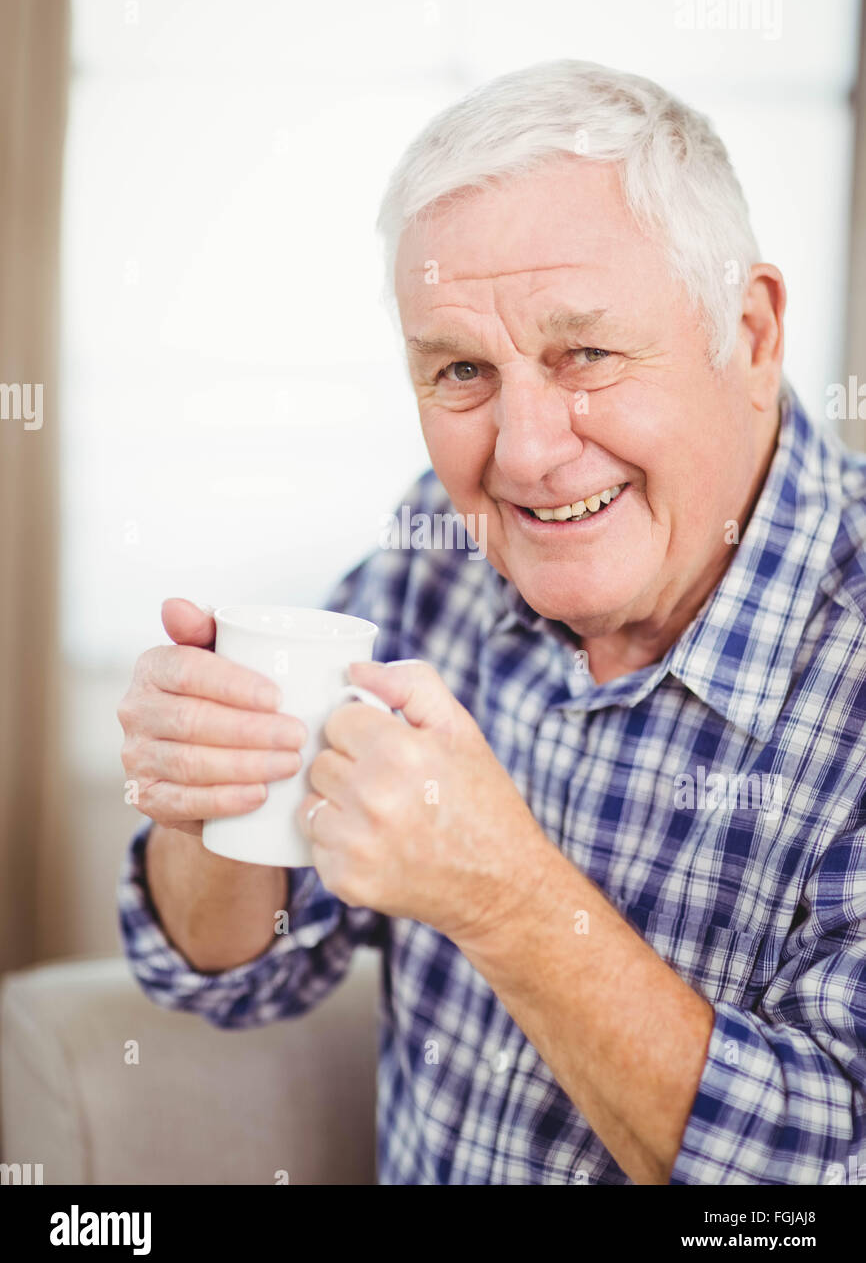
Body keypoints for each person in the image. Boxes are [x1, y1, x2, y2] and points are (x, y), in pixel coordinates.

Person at [117, 59, 866, 1185]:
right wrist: (208, 804)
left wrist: (504, 899)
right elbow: (240, 970)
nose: (520, 454)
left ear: (748, 334)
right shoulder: (444, 548)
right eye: (461, 369)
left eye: (588, 354)